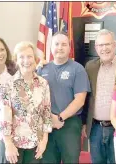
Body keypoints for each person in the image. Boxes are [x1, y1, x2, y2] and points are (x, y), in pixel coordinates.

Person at [37, 31, 91, 163]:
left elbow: (80, 100)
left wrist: (60, 118)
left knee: (70, 160)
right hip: (46, 124)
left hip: (69, 124)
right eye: (56, 44)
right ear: (50, 47)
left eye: (64, 44)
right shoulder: (42, 69)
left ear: (69, 48)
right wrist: (51, 118)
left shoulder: (78, 69)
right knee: (47, 160)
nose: (60, 47)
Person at [0, 41, 52, 163]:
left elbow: (46, 113)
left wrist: (44, 140)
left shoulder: (43, 84)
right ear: (16, 60)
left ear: (35, 59)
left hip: (35, 144)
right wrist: (8, 145)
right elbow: (3, 119)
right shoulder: (7, 86)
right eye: (21, 57)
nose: (26, 60)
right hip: (12, 145)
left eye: (29, 56)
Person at [81, 29, 116, 163]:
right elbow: (86, 97)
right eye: (100, 45)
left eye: (107, 44)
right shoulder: (90, 67)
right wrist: (84, 123)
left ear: (114, 45)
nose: (104, 48)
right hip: (95, 128)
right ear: (96, 48)